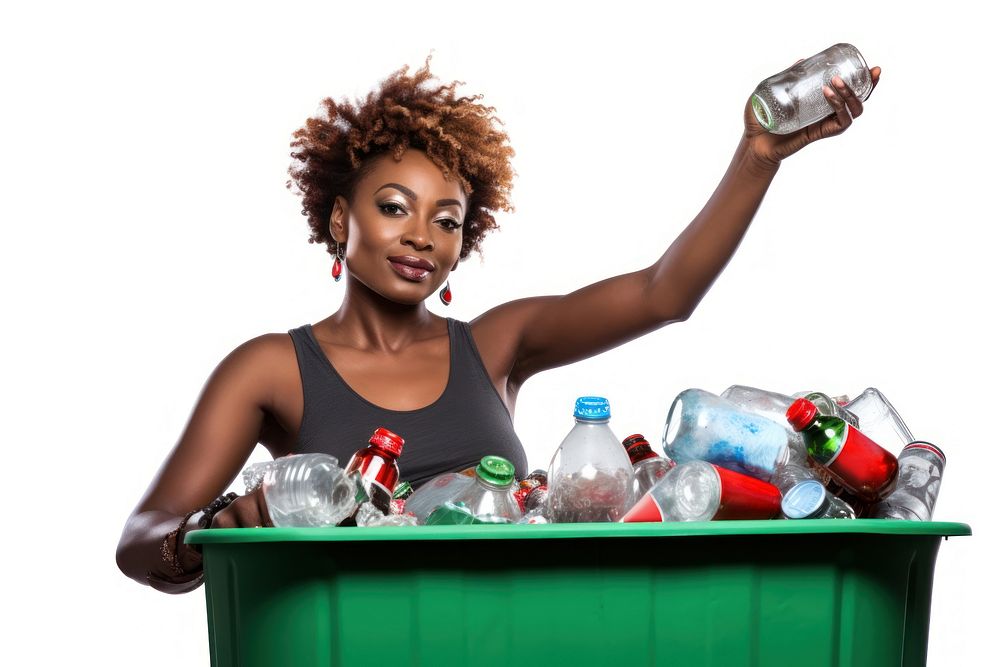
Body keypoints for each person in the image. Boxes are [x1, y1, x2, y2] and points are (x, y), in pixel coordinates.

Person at [116, 55, 881, 593]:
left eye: (445, 220)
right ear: (339, 217)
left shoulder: (494, 344)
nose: (421, 234)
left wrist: (759, 156)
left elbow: (662, 292)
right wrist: (216, 528)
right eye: (393, 208)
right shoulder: (271, 368)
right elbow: (141, 537)